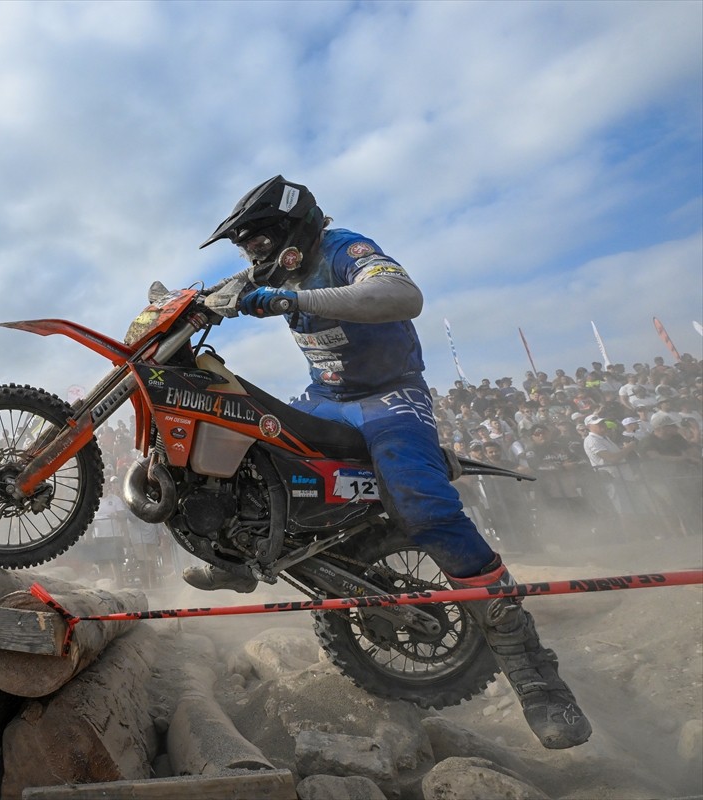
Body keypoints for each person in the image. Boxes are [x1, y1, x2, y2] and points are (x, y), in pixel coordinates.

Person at [194, 175, 591, 749]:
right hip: (327, 399)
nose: (252, 252)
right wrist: (180, 303)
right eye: (245, 244)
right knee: (241, 433)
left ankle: (532, 671)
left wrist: (293, 299)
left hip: (390, 397)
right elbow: (217, 293)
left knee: (421, 506)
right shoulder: (271, 268)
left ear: (291, 228)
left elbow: (405, 296)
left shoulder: (345, 249)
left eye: (258, 239)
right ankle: (239, 553)